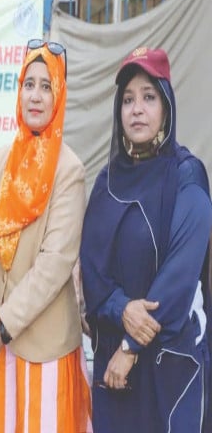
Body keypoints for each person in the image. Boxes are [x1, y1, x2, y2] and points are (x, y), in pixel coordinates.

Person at [81, 47, 212, 432]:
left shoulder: (186, 175)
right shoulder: (106, 184)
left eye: (148, 97)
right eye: (127, 100)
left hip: (171, 369)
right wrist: (122, 309)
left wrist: (130, 347)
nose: (137, 109)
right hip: (114, 375)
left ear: (166, 107)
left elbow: (180, 275)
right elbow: (93, 270)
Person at [0, 39, 92, 431]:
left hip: (43, 349)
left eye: (46, 85)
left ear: (59, 94)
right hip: (0, 345)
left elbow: (54, 265)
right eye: (29, 83)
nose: (36, 96)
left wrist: (4, 325)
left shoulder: (68, 169)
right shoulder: (4, 157)